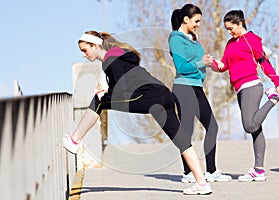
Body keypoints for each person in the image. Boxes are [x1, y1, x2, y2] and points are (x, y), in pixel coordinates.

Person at [63, 30, 212, 194]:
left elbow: (121, 87)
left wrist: (104, 95)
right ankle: (202, 184)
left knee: (98, 101)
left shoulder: (111, 58)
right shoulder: (119, 54)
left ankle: (74, 141)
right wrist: (108, 92)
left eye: (85, 50)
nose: (84, 55)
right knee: (182, 141)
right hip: (163, 94)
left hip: (148, 96)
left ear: (95, 45)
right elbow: (122, 82)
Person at [207, 10, 279, 182]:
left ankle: (274, 98)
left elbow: (264, 62)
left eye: (231, 28)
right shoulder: (230, 44)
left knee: (249, 126)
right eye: (227, 29)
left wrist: (278, 84)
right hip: (240, 89)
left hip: (251, 85)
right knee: (256, 128)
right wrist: (212, 63)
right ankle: (258, 170)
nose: (229, 32)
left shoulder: (251, 39)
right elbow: (224, 65)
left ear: (240, 24)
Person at [168, 3, 232, 183]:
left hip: (196, 87)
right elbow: (181, 67)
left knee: (212, 126)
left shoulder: (193, 38)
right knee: (187, 131)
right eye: (196, 21)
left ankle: (211, 171)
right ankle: (188, 173)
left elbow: (198, 60)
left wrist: (209, 62)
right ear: (185, 19)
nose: (198, 24)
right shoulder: (175, 38)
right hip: (183, 88)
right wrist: (201, 63)